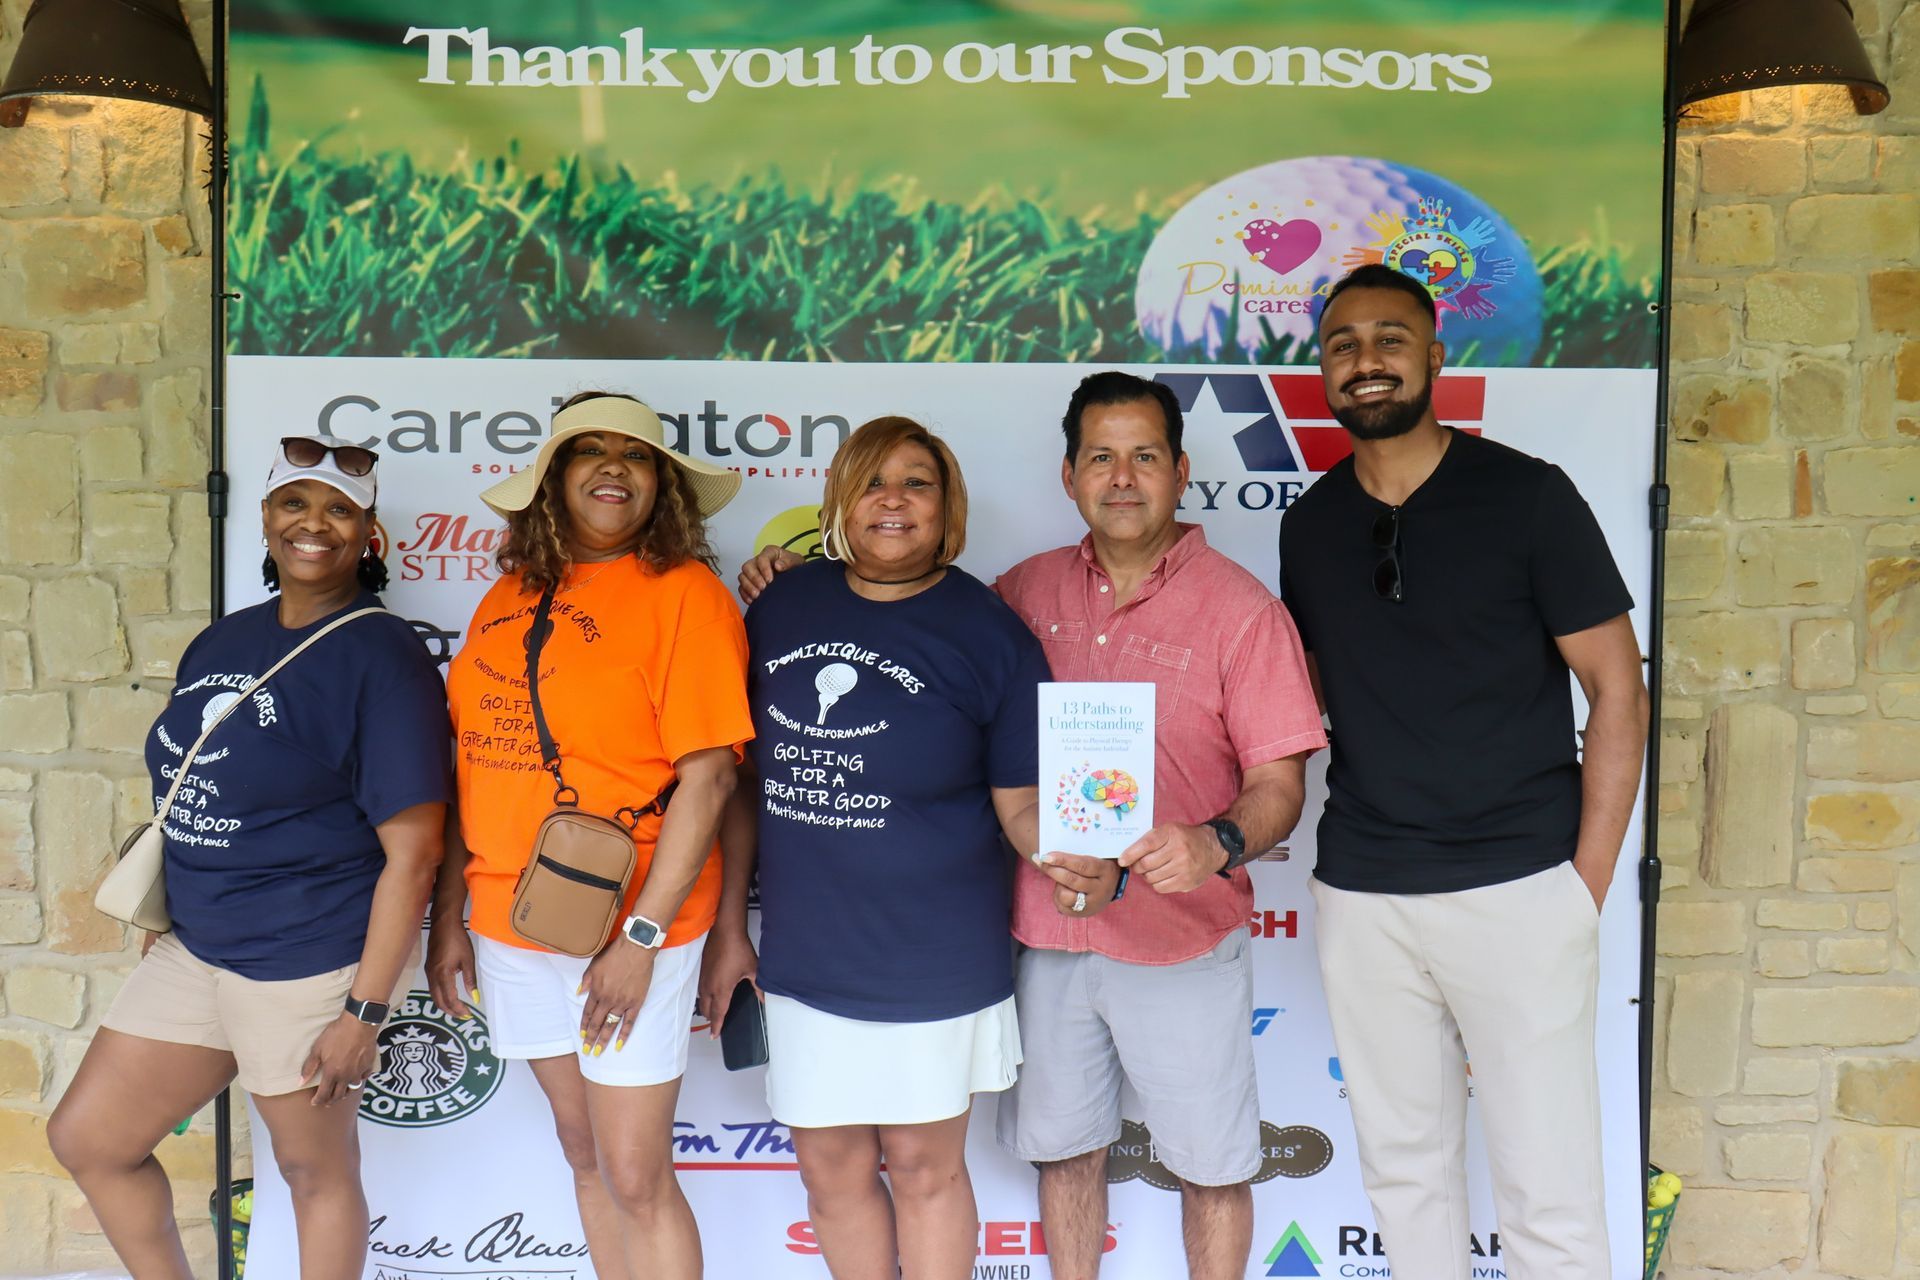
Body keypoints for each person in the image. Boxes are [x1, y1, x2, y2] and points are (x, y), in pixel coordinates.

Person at [739, 377, 1327, 1280]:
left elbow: (1280, 780)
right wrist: (784, 571)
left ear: (1180, 470)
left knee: (1210, 1170)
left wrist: (1220, 841)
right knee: (1066, 1155)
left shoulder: (1244, 610)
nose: (1122, 478)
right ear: (1069, 474)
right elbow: (901, 626)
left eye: (1143, 457)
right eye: (1101, 456)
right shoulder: (1021, 594)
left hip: (1176, 936)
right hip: (1045, 932)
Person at [1279, 264, 1648, 1280]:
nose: (1366, 360)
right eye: (1344, 342)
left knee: (1551, 1184)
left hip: (1520, 885)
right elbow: (1306, 694)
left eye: (1390, 338)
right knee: (1404, 1172)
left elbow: (1617, 689)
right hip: (1365, 888)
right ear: (1323, 366)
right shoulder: (1307, 525)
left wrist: (1584, 887)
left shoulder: (1527, 496)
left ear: (1436, 354)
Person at [701, 416, 1110, 1280]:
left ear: (947, 506)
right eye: (873, 481)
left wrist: (1074, 858)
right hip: (809, 954)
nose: (894, 499)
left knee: (925, 1170)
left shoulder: (989, 632)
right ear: (841, 500)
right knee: (830, 1171)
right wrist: (732, 926)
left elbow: (1023, 803)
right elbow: (740, 783)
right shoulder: (781, 605)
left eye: (917, 482)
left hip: (935, 959)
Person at [49, 436, 451, 1280]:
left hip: (305, 963)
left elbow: (413, 856)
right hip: (199, 949)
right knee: (90, 1139)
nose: (315, 525)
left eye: (340, 510)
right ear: (265, 518)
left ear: (368, 535)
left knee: (313, 1172)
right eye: (295, 504)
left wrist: (364, 1015)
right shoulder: (224, 641)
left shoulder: (384, 658)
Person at [427, 392, 751, 1280]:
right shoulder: (507, 594)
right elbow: (476, 770)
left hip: (632, 926)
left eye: (636, 456)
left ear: (663, 489)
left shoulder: (685, 595)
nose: (614, 469)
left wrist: (643, 939)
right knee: (585, 1158)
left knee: (639, 1180)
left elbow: (711, 778)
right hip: (510, 922)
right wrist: (452, 915)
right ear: (553, 481)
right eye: (590, 453)